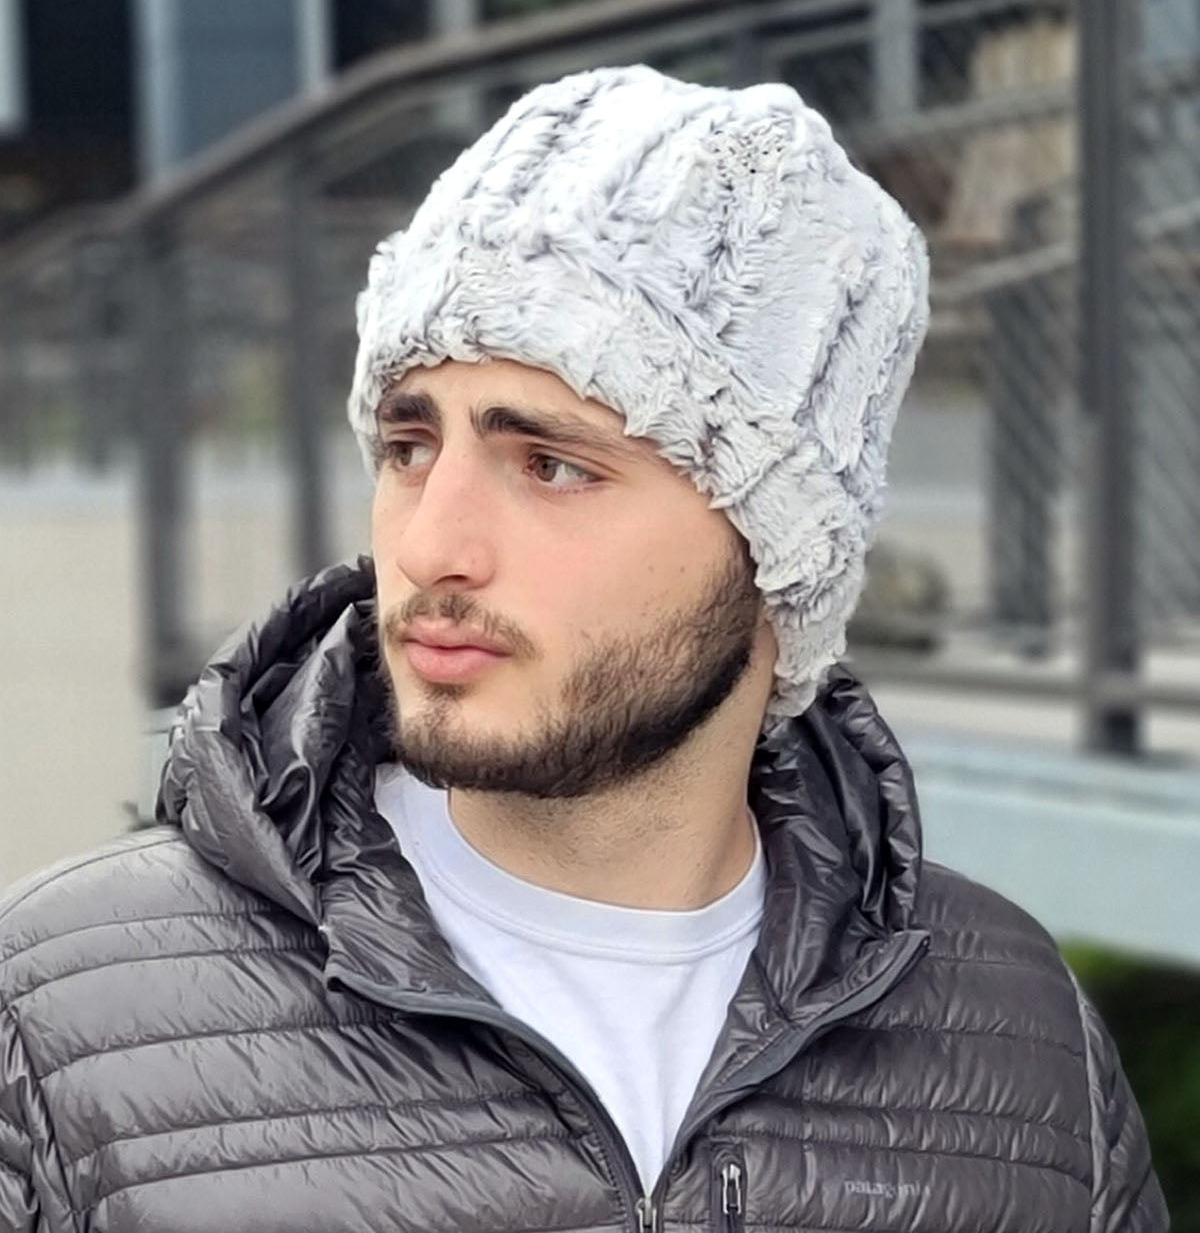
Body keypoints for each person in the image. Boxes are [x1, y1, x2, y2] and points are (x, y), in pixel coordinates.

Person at [0, 66, 1165, 1233]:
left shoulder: (1021, 1042)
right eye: (410, 446)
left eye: (551, 466)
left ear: (779, 548)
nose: (434, 546)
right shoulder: (64, 1013)